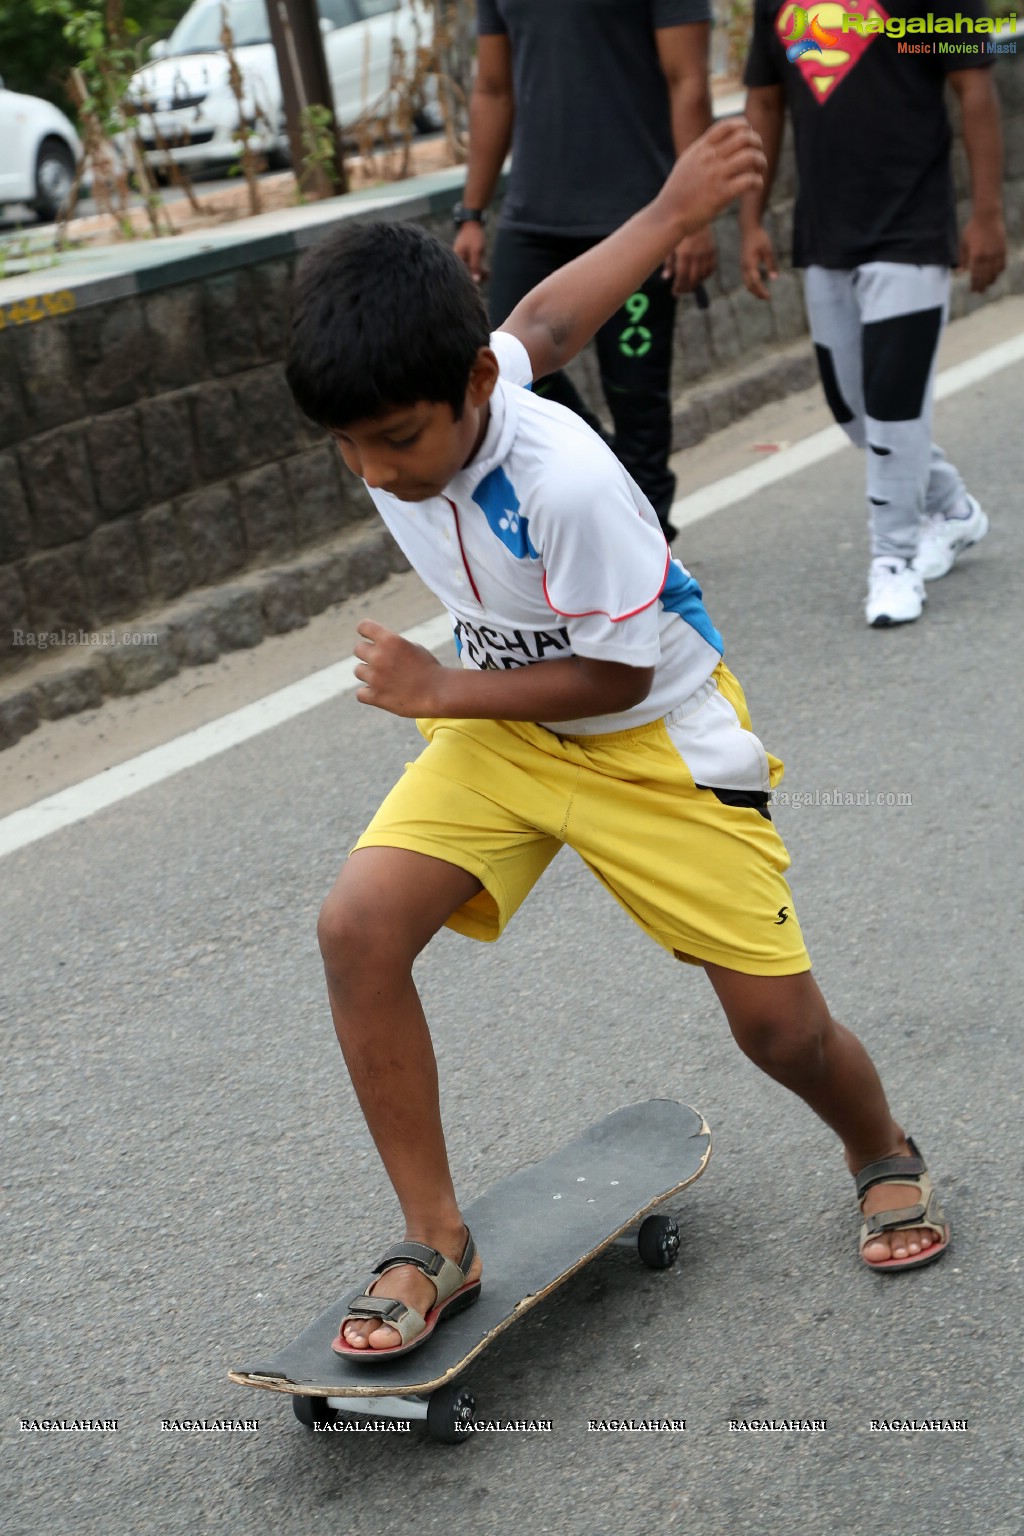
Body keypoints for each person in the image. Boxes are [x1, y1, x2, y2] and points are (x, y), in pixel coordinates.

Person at [285, 119, 948, 1363]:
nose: (374, 469)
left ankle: (879, 1147)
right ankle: (438, 1237)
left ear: (468, 396)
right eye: (350, 447)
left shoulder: (570, 484)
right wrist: (669, 210)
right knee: (356, 929)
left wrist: (436, 689)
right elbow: (542, 321)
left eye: (396, 441)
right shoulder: (453, 386)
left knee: (777, 1033)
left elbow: (615, 671)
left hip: (647, 732)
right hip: (510, 723)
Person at [740, 0, 1006, 628]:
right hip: (826, 232)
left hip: (911, 226)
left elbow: (974, 86)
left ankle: (894, 560)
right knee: (854, 409)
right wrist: (750, 221)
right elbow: (765, 103)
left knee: (892, 401)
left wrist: (989, 215)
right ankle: (953, 508)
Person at [453, 0, 717, 544]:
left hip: (639, 218)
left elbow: (686, 78)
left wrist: (691, 219)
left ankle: (652, 545)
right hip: (534, 218)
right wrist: (472, 213)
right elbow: (493, 88)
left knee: (636, 394)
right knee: (505, 366)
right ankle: (621, 497)